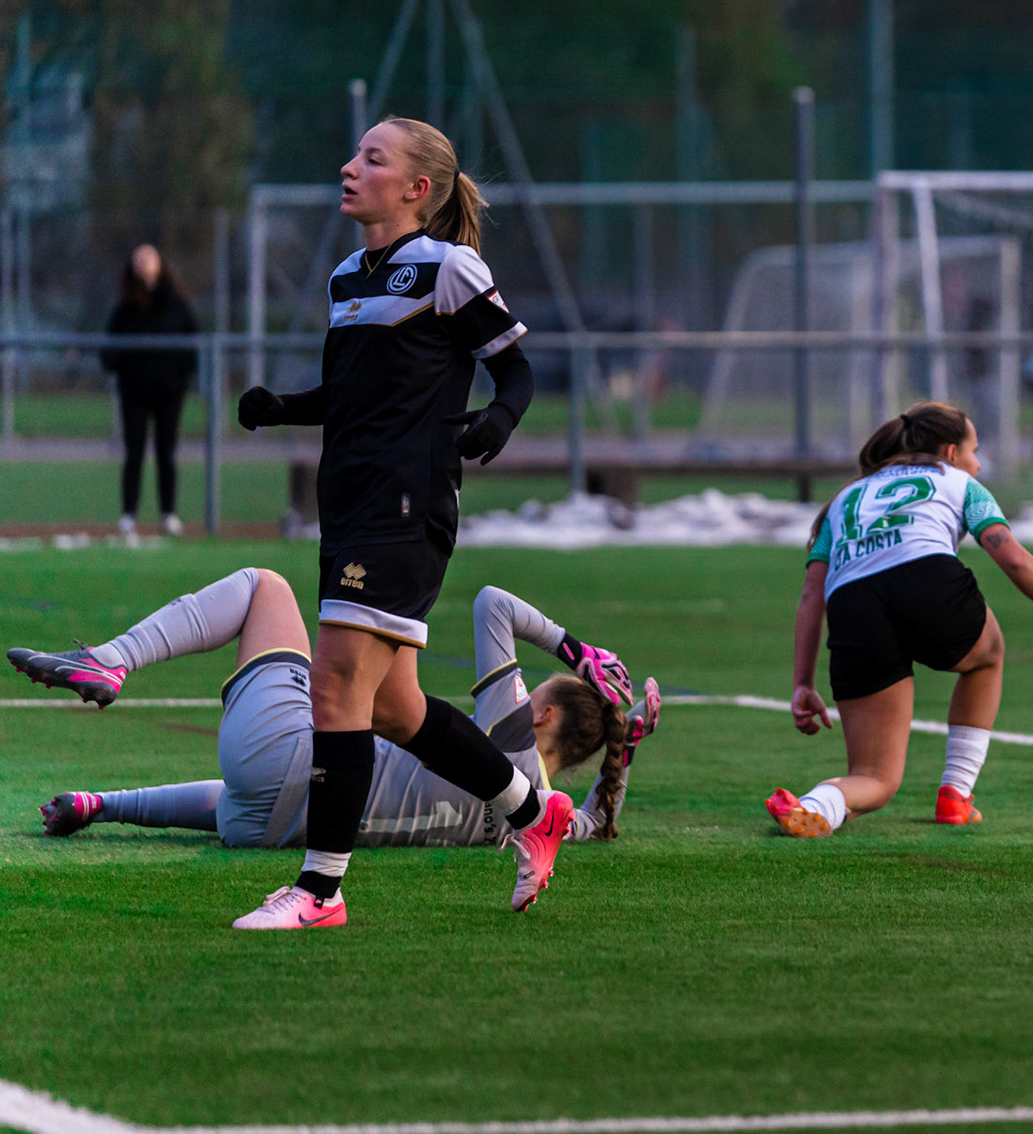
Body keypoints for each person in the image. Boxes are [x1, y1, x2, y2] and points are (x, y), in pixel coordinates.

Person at [226, 116, 560, 929]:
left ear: (416, 189)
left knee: (336, 680)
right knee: (393, 709)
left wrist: (497, 420)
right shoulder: (348, 277)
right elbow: (349, 397)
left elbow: (516, 366)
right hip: (348, 501)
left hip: (407, 505)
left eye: (371, 159)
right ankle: (531, 813)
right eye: (354, 153)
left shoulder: (448, 267)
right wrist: (283, 408)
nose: (349, 167)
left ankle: (320, 891)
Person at [15, 572, 658, 856]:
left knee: (265, 588)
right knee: (274, 780)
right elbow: (600, 821)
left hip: (288, 760)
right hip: (275, 825)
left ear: (540, 714)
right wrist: (621, 755)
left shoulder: (512, 738)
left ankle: (113, 657)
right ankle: (102, 804)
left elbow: (493, 603)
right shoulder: (543, 821)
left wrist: (574, 650)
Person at [768, 401, 1033, 839]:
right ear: (949, 452)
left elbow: (812, 594)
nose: (977, 462)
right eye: (974, 449)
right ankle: (956, 795)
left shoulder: (847, 496)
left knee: (876, 778)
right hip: (926, 577)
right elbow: (1013, 558)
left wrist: (802, 684)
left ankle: (817, 804)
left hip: (852, 604)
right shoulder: (959, 482)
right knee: (988, 655)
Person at [102, 244, 198, 540]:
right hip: (134, 393)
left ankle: (168, 514)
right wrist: (122, 369)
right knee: (133, 453)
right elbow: (109, 350)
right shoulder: (125, 308)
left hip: (169, 392)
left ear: (160, 264)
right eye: (138, 260)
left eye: (148, 258)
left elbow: (191, 344)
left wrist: (180, 377)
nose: (143, 264)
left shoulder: (176, 305)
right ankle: (128, 515)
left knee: (166, 452)